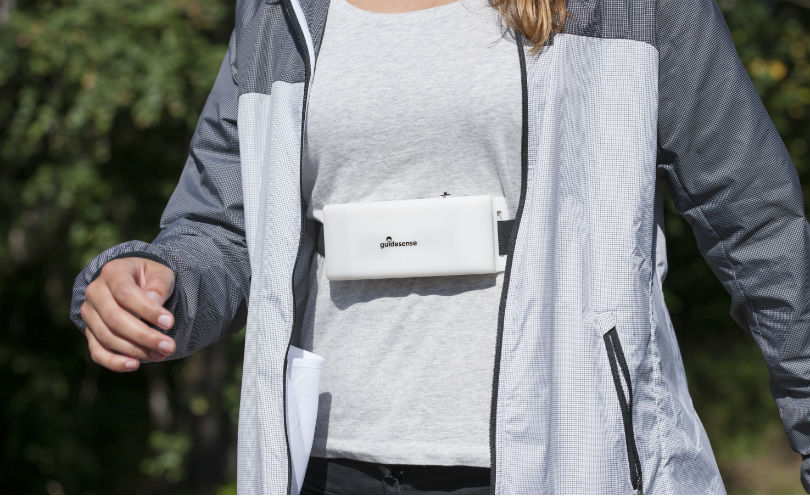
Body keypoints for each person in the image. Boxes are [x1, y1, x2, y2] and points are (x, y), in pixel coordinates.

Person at [70, 0, 810, 493]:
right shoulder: (277, 11)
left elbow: (759, 226)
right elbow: (223, 229)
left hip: (568, 462)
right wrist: (159, 281)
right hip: (326, 471)